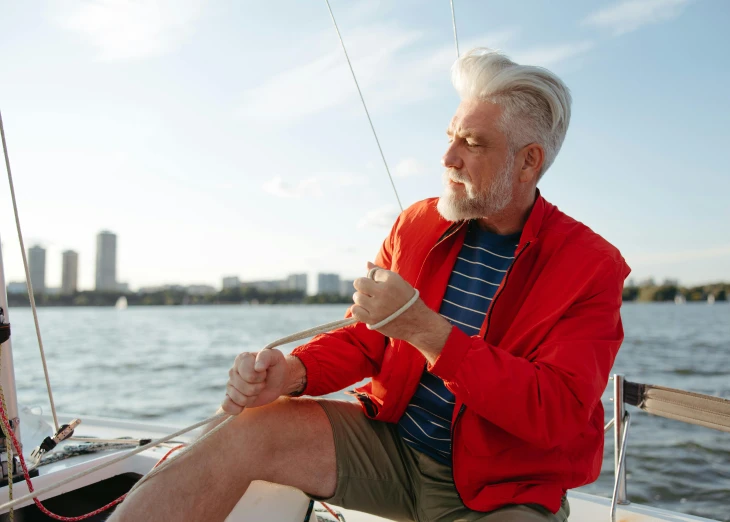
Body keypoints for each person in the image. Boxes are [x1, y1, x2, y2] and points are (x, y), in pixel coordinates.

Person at [110, 48, 630, 522]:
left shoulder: (592, 266)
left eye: (472, 144)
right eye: (450, 136)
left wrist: (429, 334)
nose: (448, 158)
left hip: (505, 490)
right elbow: (365, 337)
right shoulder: (417, 223)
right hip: (393, 447)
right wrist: (293, 372)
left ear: (529, 160)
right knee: (244, 428)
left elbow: (556, 413)